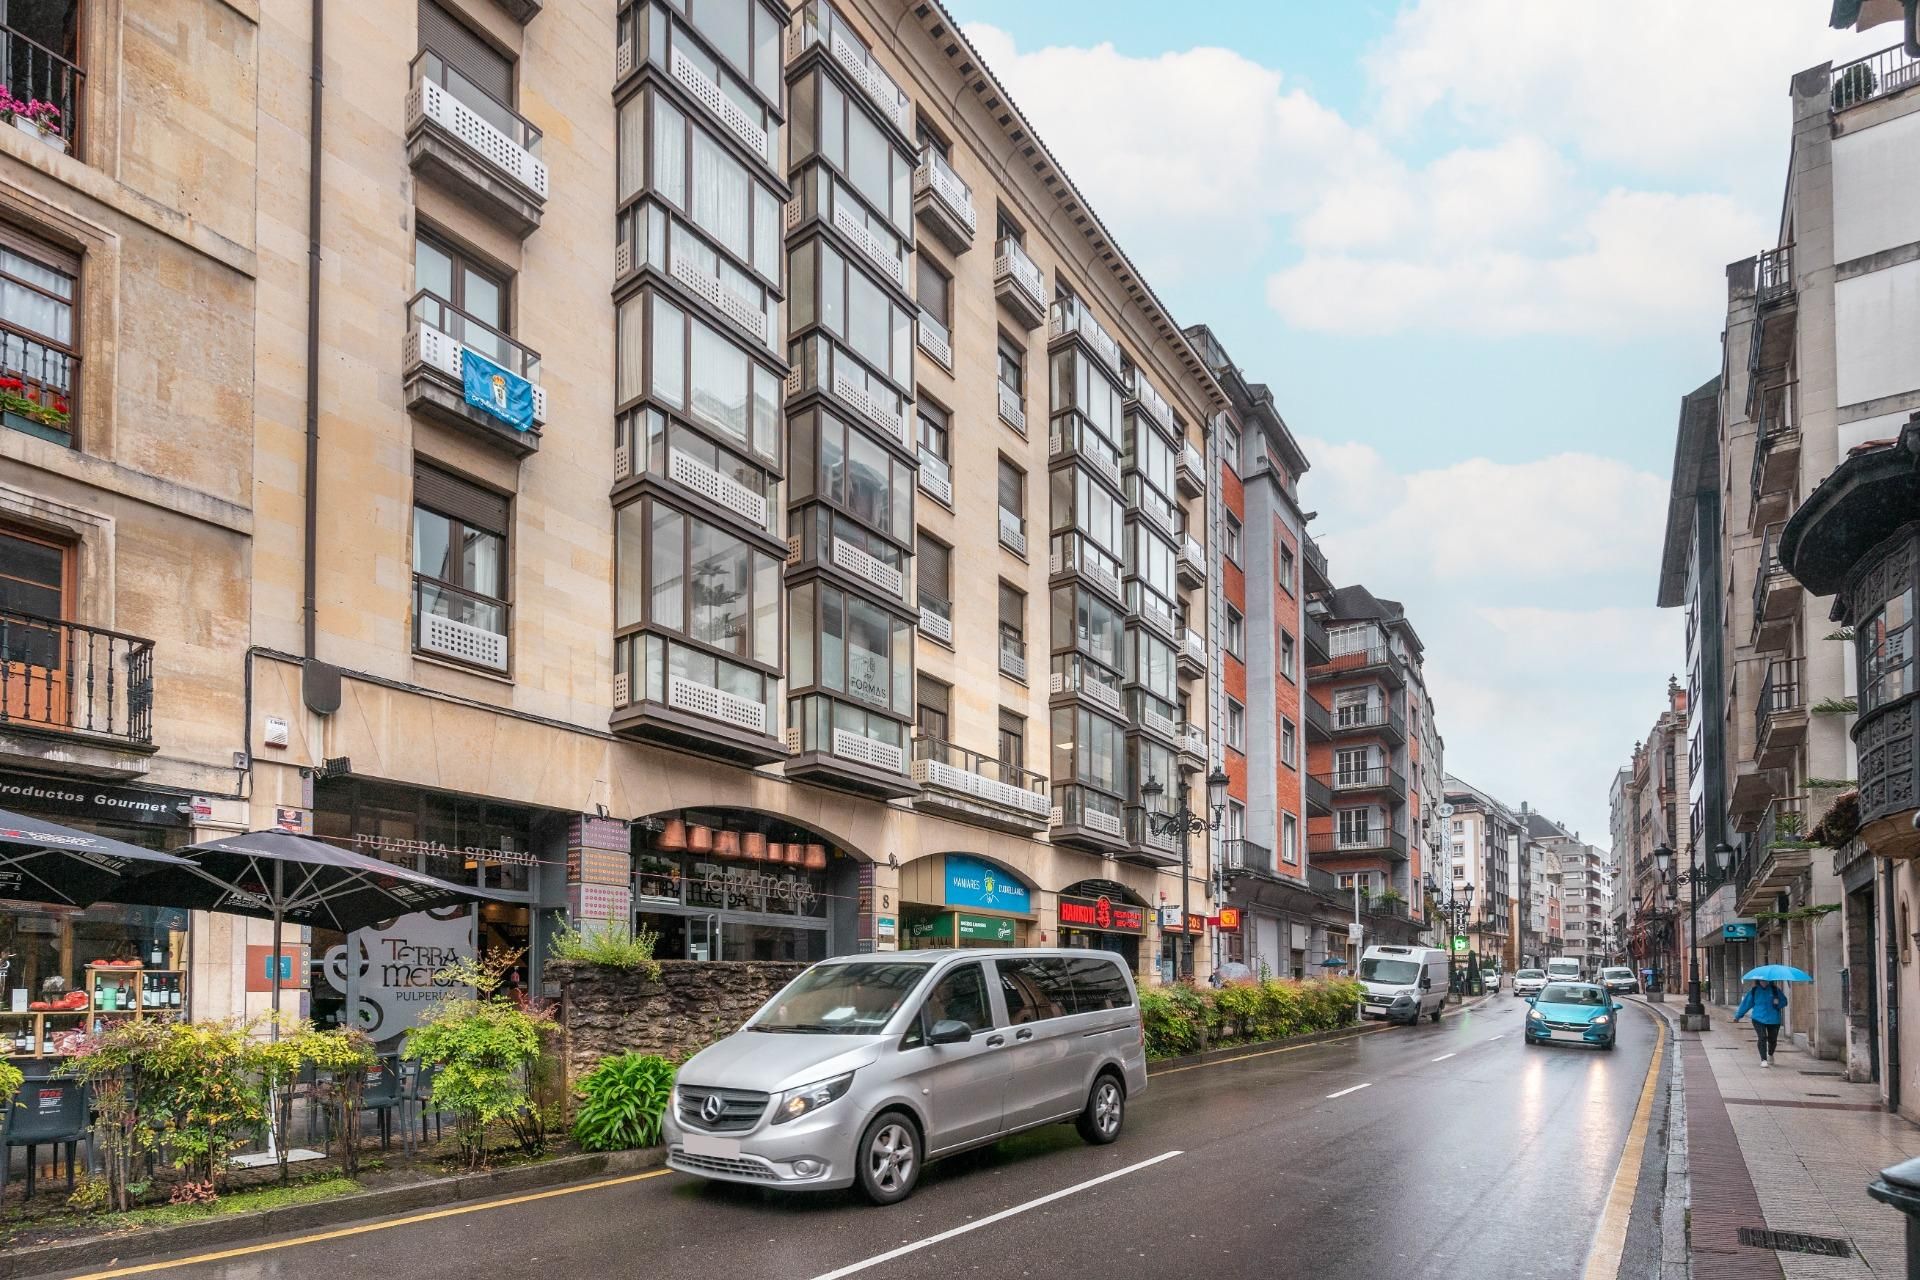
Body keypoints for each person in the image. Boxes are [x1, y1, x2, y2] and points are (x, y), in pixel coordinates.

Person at [1734, 979, 1789, 1066]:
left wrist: (1778, 1003)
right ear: (1758, 981)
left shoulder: (1775, 990)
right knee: (1762, 1037)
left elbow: (1784, 1001)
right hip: (1758, 1018)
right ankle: (1763, 1059)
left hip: (1773, 1019)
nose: (1763, 982)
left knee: (1773, 1040)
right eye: (1761, 980)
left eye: (1765, 980)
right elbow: (1746, 1004)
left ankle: (1770, 1054)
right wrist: (1738, 1016)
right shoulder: (1754, 991)